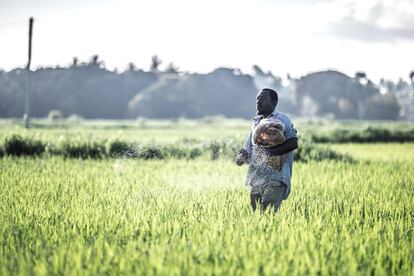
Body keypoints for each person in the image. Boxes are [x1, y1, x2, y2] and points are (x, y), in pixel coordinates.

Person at [236, 88, 298, 212]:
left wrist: (268, 154)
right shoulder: (256, 122)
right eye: (257, 99)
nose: (258, 102)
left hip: (276, 178)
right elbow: (249, 148)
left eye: (263, 99)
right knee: (257, 216)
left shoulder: (282, 119)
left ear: (274, 103)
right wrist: (242, 156)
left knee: (268, 214)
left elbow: (293, 143)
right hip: (257, 178)